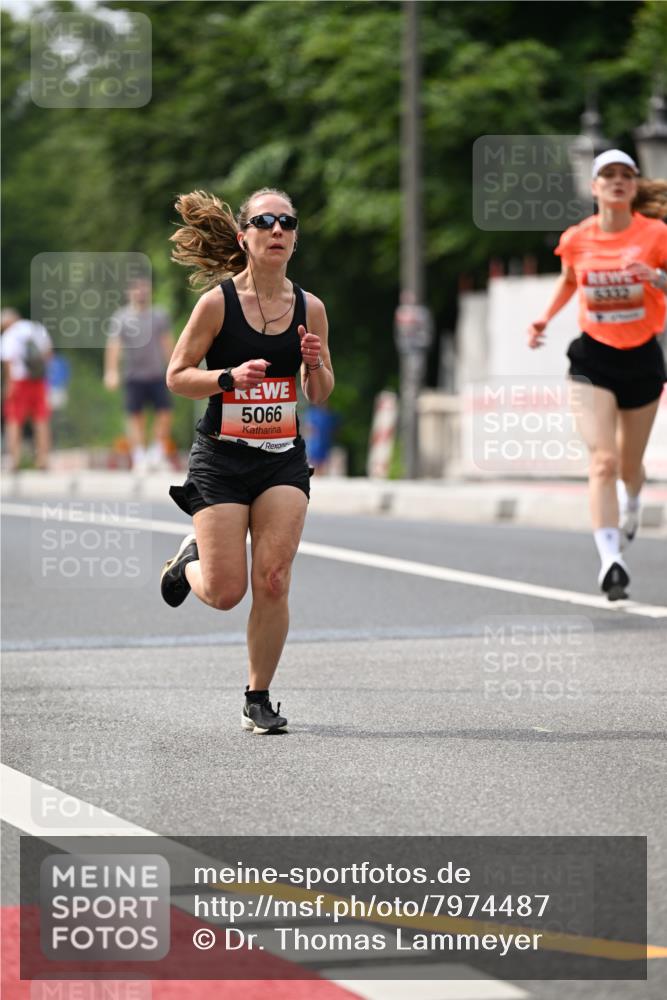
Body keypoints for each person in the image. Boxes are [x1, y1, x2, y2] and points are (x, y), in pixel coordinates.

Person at [161, 187, 334, 733]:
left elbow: (320, 393)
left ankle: (257, 697)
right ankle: (188, 564)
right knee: (225, 592)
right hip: (222, 459)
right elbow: (177, 376)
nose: (277, 229)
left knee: (275, 578)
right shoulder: (217, 304)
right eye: (265, 221)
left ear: (295, 238)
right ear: (244, 237)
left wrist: (314, 365)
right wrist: (227, 379)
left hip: (282, 459)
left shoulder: (310, 308)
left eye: (287, 222)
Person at [528, 150, 667, 599]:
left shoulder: (656, 234)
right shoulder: (578, 238)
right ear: (594, 187)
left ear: (634, 185)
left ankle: (632, 501)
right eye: (608, 175)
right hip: (593, 358)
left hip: (642, 357)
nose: (617, 181)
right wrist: (544, 318)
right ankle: (611, 561)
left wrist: (657, 277)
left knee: (629, 465)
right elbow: (570, 279)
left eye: (626, 174)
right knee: (603, 461)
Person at [104, 276, 174, 472]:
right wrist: (111, 372)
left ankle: (157, 453)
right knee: (135, 416)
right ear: (129, 292)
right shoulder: (121, 317)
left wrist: (174, 367)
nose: (141, 291)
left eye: (144, 287)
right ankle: (139, 456)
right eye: (136, 288)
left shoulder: (159, 315)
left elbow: (167, 343)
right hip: (133, 375)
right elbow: (114, 346)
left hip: (157, 373)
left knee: (165, 413)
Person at [0, 308, 53, 470]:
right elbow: (48, 354)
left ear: (8, 321)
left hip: (18, 381)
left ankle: (14, 460)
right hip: (39, 380)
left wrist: (9, 385)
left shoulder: (10, 334)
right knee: (41, 419)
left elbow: (8, 361)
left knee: (14, 419)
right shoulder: (37, 328)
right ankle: (43, 459)